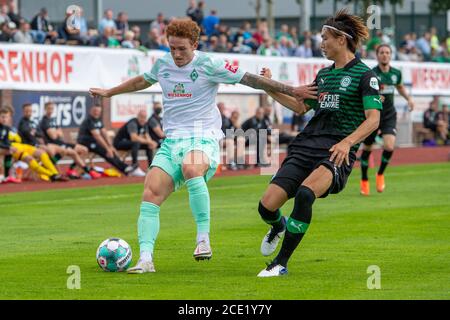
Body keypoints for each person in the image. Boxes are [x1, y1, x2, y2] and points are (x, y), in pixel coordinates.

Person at [89, 18, 316, 274]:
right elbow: (142, 80)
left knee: (191, 168)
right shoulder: (163, 63)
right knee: (150, 193)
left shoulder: (210, 63)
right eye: (172, 47)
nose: (176, 54)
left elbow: (249, 79)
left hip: (202, 136)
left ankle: (203, 239)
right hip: (172, 140)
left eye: (182, 49)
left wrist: (291, 89)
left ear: (195, 45)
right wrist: (110, 92)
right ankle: (146, 260)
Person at [255, 9, 381, 277]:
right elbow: (299, 107)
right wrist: (269, 87)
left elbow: (373, 120)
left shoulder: (365, 75)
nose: (321, 43)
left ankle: (280, 263)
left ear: (341, 40)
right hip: (305, 146)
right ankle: (278, 226)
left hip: (336, 151)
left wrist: (347, 143)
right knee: (266, 206)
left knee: (304, 194)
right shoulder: (323, 75)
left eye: (325, 38)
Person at [359, 44, 415, 196]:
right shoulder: (371, 74)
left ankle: (380, 174)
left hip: (389, 114)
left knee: (389, 147)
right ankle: (364, 179)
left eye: (387, 53)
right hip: (373, 115)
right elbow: (363, 93)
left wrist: (409, 99)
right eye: (382, 52)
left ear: (391, 55)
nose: (385, 55)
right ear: (377, 55)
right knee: (367, 149)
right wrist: (376, 97)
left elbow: (400, 87)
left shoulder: (396, 73)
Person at [0, 107, 67, 182]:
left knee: (42, 153)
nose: (5, 119)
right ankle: (52, 175)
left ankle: (55, 173)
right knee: (30, 159)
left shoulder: (8, 128)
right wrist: (9, 147)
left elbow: (7, 140)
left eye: (7, 117)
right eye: (3, 117)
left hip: (21, 146)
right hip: (15, 148)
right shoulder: (22, 123)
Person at [39, 102, 101, 180]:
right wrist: (56, 132)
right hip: (52, 144)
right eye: (49, 109)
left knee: (84, 149)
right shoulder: (44, 121)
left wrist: (55, 131)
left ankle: (71, 170)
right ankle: (88, 171)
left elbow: (60, 134)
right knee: (71, 152)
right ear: (45, 109)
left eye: (52, 108)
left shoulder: (53, 119)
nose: (51, 110)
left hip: (61, 143)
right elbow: (53, 136)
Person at [77, 104, 143, 177]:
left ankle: (126, 168)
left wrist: (111, 146)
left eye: (98, 111)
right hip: (85, 142)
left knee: (111, 150)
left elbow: (104, 133)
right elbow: (97, 136)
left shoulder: (98, 120)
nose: (96, 113)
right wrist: (108, 148)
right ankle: (126, 170)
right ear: (91, 111)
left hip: (93, 142)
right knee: (106, 151)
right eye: (95, 111)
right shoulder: (89, 120)